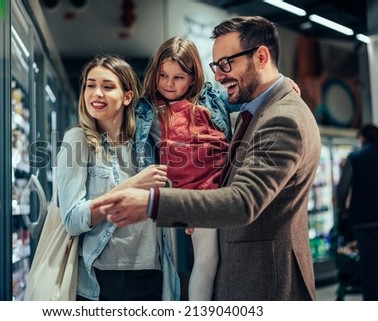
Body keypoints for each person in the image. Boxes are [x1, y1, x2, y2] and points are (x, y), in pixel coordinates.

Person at [92, 16, 321, 301]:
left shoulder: (282, 117)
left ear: (261, 57)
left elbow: (242, 201)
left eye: (227, 63)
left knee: (201, 262)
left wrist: (154, 203)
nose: (220, 75)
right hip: (229, 249)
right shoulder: (255, 107)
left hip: (265, 281)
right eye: (216, 66)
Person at [56, 55, 180, 301]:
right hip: (101, 279)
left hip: (152, 272)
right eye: (90, 85)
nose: (96, 93)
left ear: (127, 96)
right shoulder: (78, 140)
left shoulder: (149, 143)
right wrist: (132, 185)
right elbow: (72, 220)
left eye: (108, 86)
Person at [135, 36, 236, 301]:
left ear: (193, 78)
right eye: (163, 75)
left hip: (210, 187)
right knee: (165, 259)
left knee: (208, 257)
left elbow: (242, 98)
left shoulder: (210, 99)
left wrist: (281, 82)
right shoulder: (145, 109)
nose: (169, 83)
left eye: (178, 77)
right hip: (170, 190)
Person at [337, 124, 378, 300]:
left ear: (362, 137)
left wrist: (344, 212)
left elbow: (342, 190)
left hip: (364, 221)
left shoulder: (355, 158)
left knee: (369, 269)